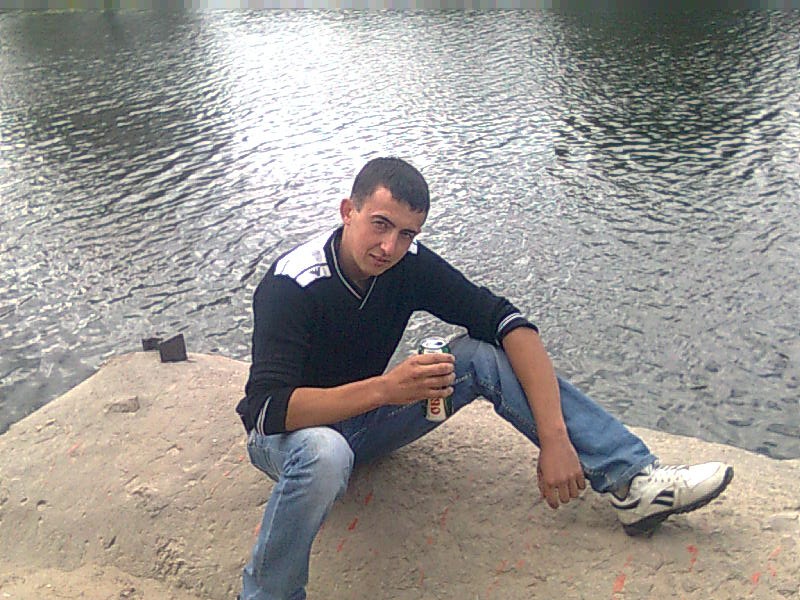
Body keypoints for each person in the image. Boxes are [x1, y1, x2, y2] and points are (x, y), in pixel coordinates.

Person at [235, 157, 733, 600]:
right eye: (380, 225)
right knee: (325, 452)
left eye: (407, 234)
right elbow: (266, 410)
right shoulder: (292, 284)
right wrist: (387, 389)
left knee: (477, 355)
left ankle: (633, 481)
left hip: (362, 423)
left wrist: (555, 439)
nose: (389, 246)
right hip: (290, 441)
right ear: (349, 211)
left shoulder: (407, 265)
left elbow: (506, 321)